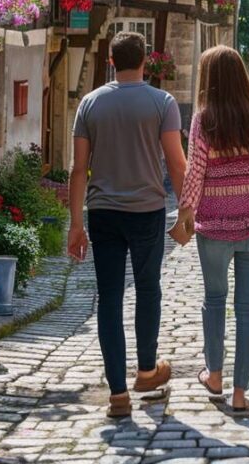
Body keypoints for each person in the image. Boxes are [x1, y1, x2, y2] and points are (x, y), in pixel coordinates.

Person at [68, 31, 187, 419]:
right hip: (147, 209)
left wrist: (74, 224)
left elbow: (78, 169)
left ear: (110, 61)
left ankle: (118, 394)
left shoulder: (90, 103)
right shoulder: (162, 102)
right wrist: (187, 208)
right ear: (145, 62)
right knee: (149, 289)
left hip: (102, 212)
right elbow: (175, 162)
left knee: (109, 298)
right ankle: (148, 371)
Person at [170, 45, 249, 416]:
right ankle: (240, 393)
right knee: (248, 308)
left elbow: (195, 174)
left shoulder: (203, 121)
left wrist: (184, 211)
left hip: (215, 227)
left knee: (215, 300)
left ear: (209, 80)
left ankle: (214, 375)